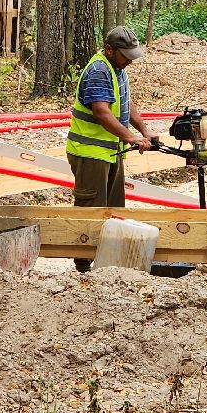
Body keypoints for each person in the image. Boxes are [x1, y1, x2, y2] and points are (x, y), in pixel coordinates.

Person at [67, 26, 153, 271]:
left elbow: (126, 102)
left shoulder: (117, 69)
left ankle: (109, 266)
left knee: (114, 209)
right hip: (90, 153)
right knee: (91, 212)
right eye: (126, 55)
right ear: (109, 49)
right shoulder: (98, 70)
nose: (130, 61)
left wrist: (144, 130)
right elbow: (102, 112)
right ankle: (83, 264)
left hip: (110, 152)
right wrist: (132, 138)